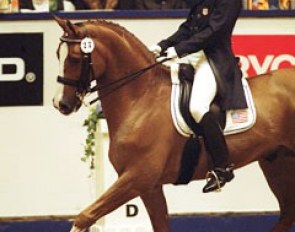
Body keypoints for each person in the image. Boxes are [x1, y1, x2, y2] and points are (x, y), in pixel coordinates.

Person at [149, 0, 248, 193]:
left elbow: (214, 32)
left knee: (197, 107)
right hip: (193, 56)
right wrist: (162, 45)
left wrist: (179, 50)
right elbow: (188, 27)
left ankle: (223, 167)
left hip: (213, 60)